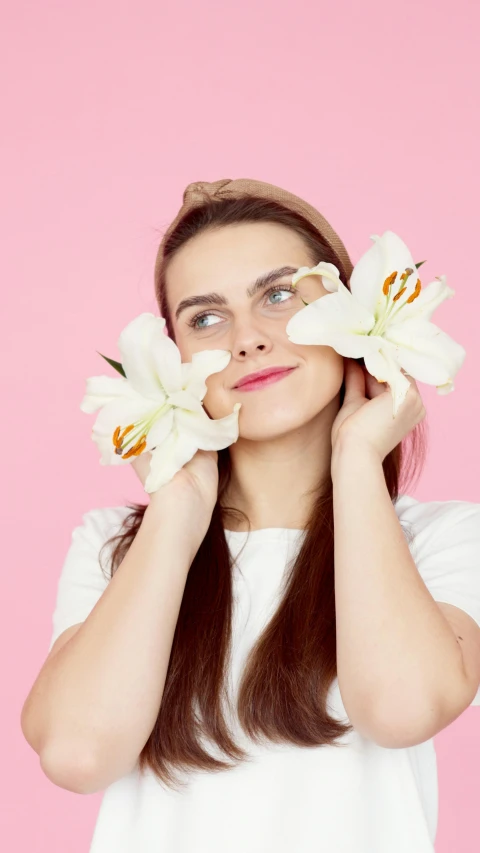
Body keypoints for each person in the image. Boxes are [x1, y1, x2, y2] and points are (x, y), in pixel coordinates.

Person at [22, 179, 480, 853]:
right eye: (205, 318)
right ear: (174, 360)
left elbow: (402, 708)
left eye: (278, 295)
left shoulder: (443, 537)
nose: (247, 340)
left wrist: (356, 460)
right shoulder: (118, 548)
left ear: (351, 310)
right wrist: (177, 508)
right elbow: (77, 753)